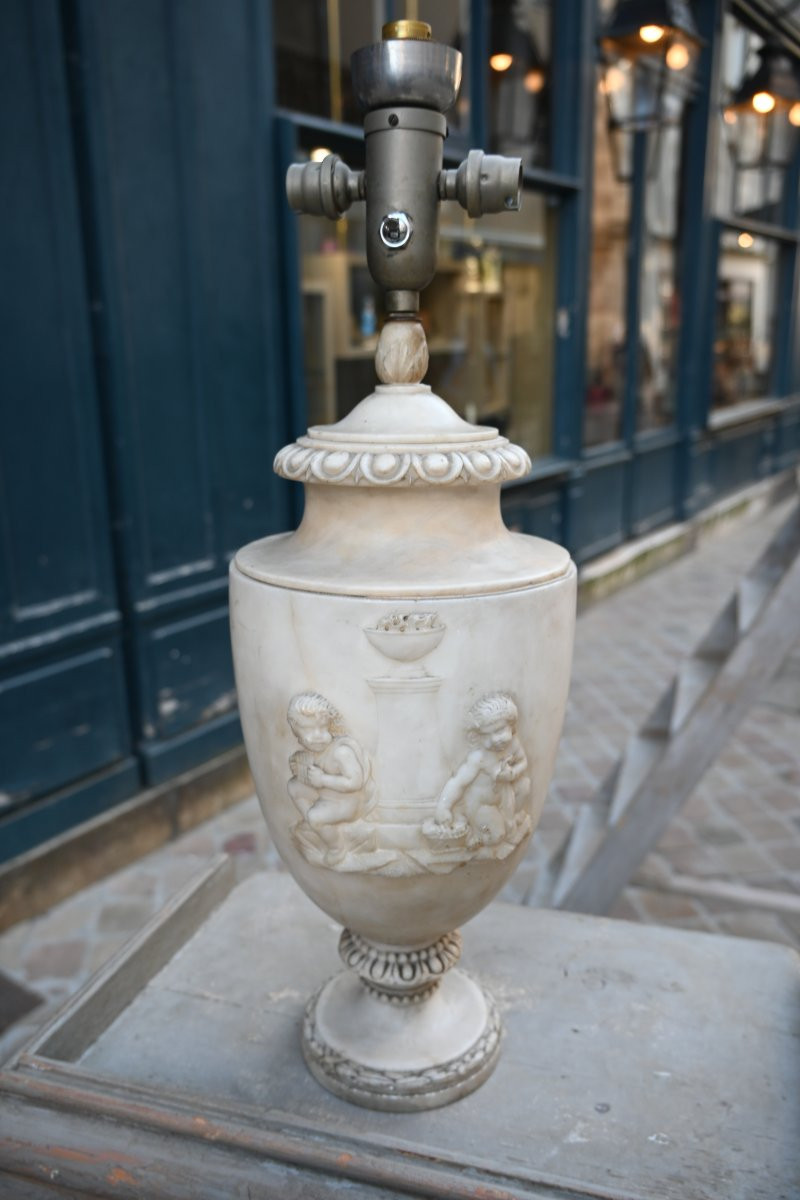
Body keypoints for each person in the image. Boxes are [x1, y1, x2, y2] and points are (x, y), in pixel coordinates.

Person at [287, 692, 375, 865]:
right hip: (327, 795)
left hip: (348, 802)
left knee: (316, 817)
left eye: (322, 728)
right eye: (309, 729)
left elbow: (354, 782)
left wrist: (323, 780)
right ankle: (317, 827)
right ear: (296, 730)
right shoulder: (312, 751)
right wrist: (301, 771)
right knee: (293, 787)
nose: (318, 735)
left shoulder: (341, 752)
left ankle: (337, 848)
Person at [434, 692, 529, 849]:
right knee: (497, 836)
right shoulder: (479, 758)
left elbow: (523, 762)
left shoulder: (513, 744)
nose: (495, 739)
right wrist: (443, 807)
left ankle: (511, 819)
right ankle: (475, 830)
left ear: (511, 726)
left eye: (499, 730)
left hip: (504, 796)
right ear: (477, 736)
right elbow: (459, 783)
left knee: (524, 785)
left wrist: (513, 774)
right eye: (487, 735)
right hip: (482, 804)